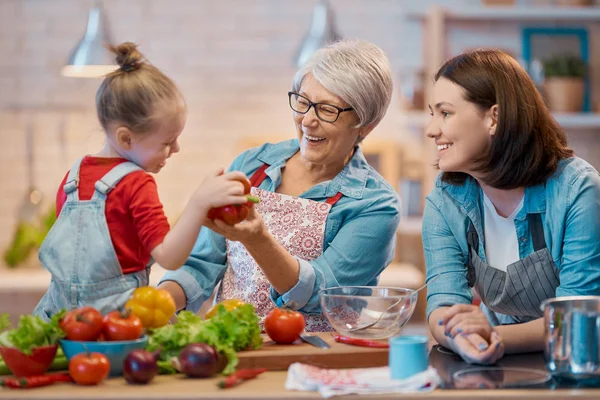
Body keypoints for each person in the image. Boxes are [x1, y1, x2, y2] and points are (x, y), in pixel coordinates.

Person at [158, 39, 401, 331]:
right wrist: (155, 304)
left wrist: (258, 240)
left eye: (327, 109)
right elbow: (201, 264)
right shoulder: (252, 166)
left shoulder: (375, 204)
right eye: (303, 101)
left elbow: (320, 294)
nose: (307, 121)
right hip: (236, 345)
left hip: (319, 354)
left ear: (365, 124)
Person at [33, 42, 250, 320]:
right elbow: (169, 257)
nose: (176, 149)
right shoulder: (136, 183)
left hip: (63, 321)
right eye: (167, 142)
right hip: (117, 324)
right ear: (126, 138)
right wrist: (199, 203)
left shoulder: (72, 177)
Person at [423, 48, 600, 364]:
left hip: (575, 366)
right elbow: (442, 303)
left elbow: (577, 318)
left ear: (494, 117)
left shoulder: (576, 189)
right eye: (431, 114)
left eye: (445, 113)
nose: (432, 129)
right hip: (495, 363)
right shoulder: (445, 199)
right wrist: (459, 336)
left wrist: (494, 336)